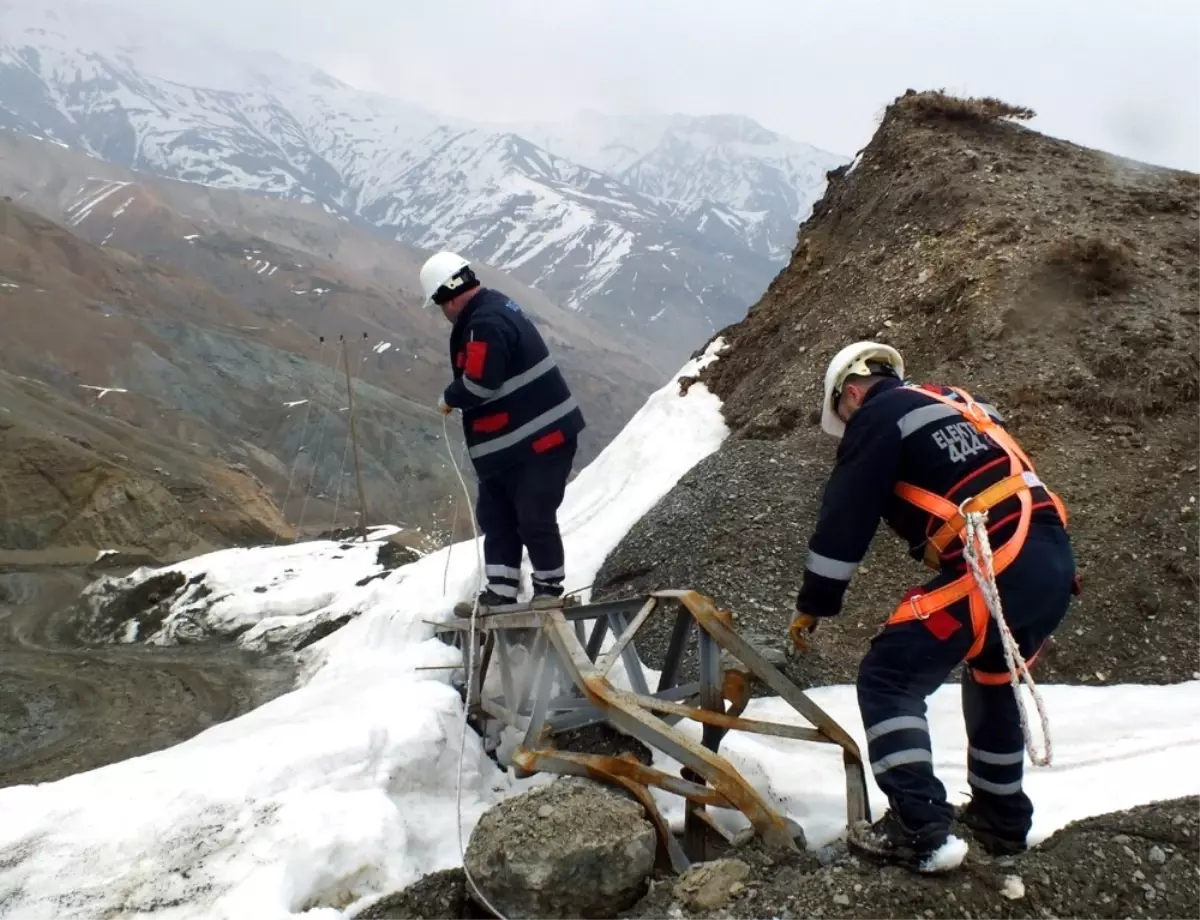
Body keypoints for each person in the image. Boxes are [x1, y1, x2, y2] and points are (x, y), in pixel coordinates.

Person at [791, 341, 1078, 874]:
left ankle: (921, 829)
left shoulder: (878, 414)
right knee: (993, 675)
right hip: (1050, 563)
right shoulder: (963, 402)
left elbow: (846, 515)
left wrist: (816, 603)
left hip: (999, 563)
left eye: (843, 413)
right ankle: (1001, 821)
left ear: (851, 393)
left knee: (888, 677)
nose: (847, 423)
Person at [420, 251, 585, 613]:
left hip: (541, 441)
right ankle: (501, 591)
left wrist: (450, 397)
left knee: (532, 513)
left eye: (439, 305)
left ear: (445, 297)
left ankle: (548, 590)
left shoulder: (486, 322)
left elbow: (481, 384)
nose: (443, 313)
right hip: (512, 447)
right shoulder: (490, 310)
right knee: (497, 516)